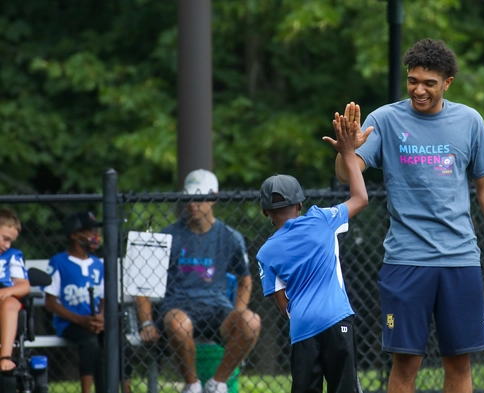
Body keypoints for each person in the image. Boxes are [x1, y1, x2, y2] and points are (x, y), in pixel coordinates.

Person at [334, 38, 484, 393]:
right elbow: (347, 175)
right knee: (405, 363)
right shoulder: (385, 120)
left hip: (459, 260)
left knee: (460, 362)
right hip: (406, 260)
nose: (418, 90)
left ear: (447, 82)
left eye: (429, 83)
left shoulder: (469, 121)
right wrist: (347, 149)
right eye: (412, 81)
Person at [256, 115, 371, 393]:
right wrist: (347, 152)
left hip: (303, 331)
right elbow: (360, 198)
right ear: (300, 203)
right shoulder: (321, 219)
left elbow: (283, 304)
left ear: (265, 213)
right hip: (336, 318)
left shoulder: (266, 252)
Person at [135, 169, 261, 393]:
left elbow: (245, 280)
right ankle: (192, 385)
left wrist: (238, 312)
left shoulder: (231, 237)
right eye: (189, 197)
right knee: (178, 323)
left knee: (251, 321)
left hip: (217, 311)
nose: (193, 203)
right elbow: (144, 283)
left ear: (213, 198)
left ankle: (217, 383)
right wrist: (146, 323)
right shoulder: (169, 234)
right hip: (178, 308)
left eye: (200, 197)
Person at [42, 211, 132, 393]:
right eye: (91, 232)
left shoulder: (98, 264)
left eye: (97, 232)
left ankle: (126, 389)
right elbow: (50, 303)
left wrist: (101, 317)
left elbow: (105, 298)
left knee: (120, 341)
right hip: (71, 323)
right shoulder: (59, 262)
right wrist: (81, 320)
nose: (96, 237)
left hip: (96, 322)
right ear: (75, 235)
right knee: (90, 342)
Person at [0, 208, 30, 372]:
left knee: (11, 304)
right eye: (4, 239)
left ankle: (5, 356)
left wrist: (8, 292)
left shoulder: (12, 256)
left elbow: (24, 285)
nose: (7, 245)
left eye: (10, 241)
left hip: (4, 296)